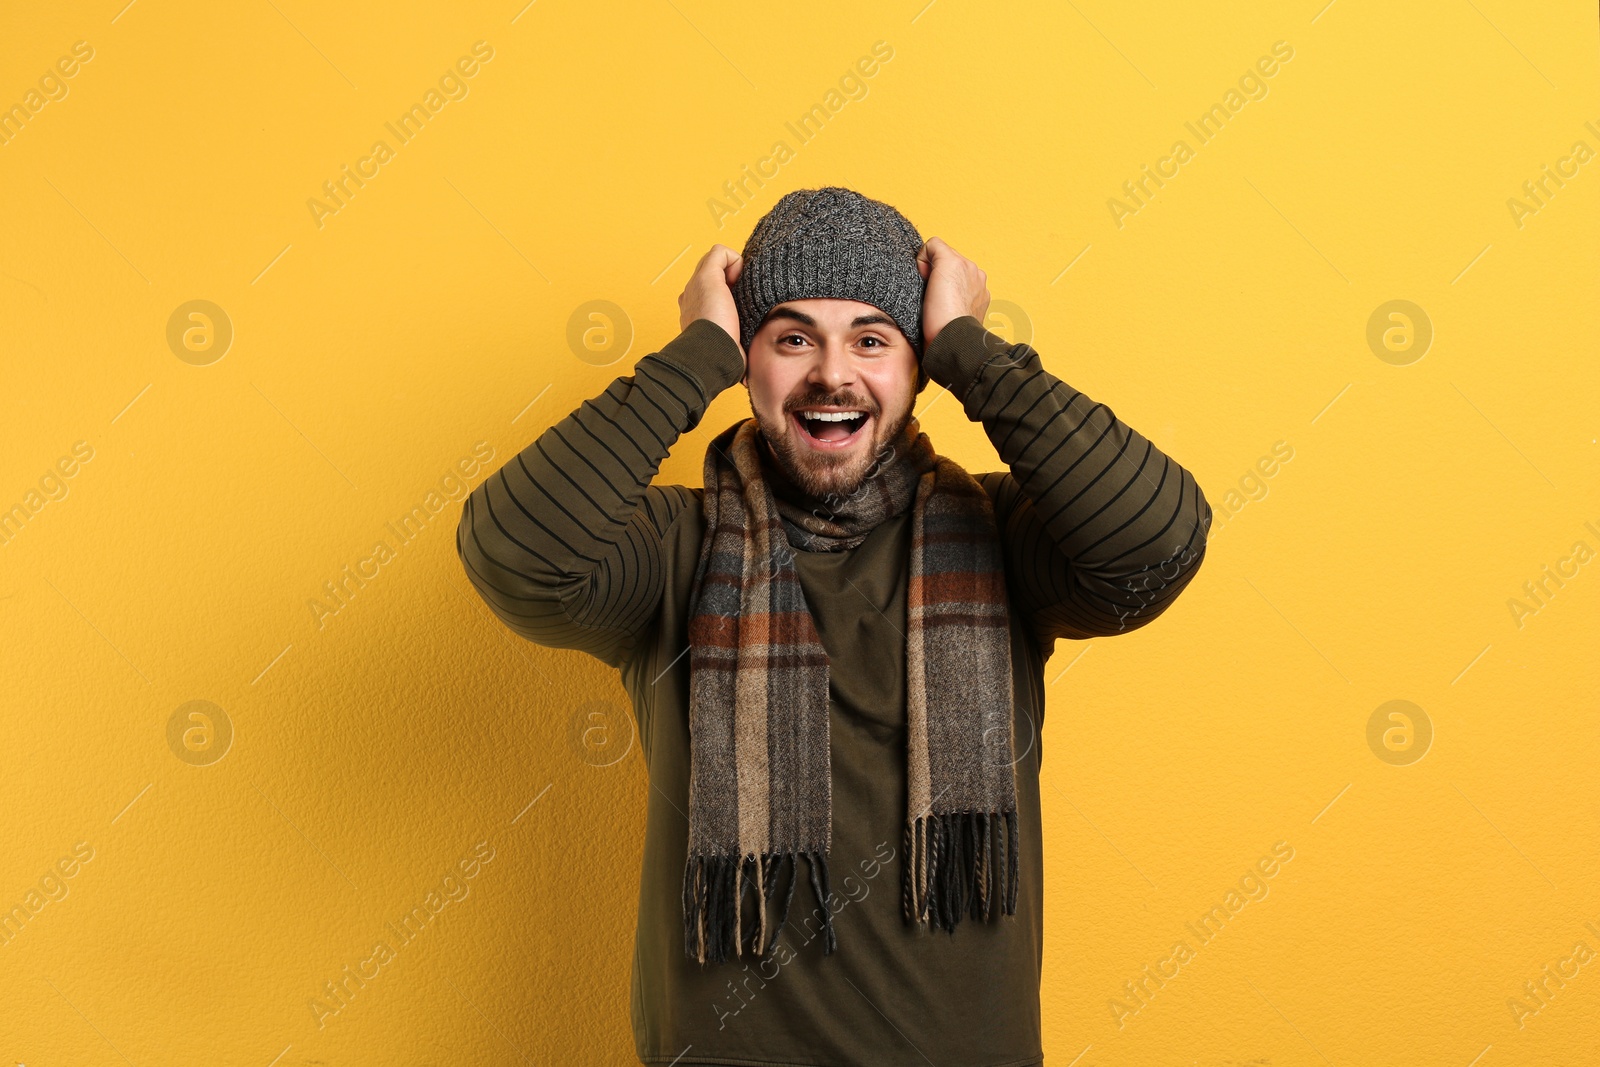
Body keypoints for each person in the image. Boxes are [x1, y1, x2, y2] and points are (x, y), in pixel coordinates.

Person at [456, 186, 1212, 1067]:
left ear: (917, 362)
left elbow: (1159, 542)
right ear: (748, 360)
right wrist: (692, 354)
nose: (831, 374)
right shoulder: (675, 552)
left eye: (871, 339)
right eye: (790, 337)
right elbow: (514, 549)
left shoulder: (1002, 540)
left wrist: (973, 350)